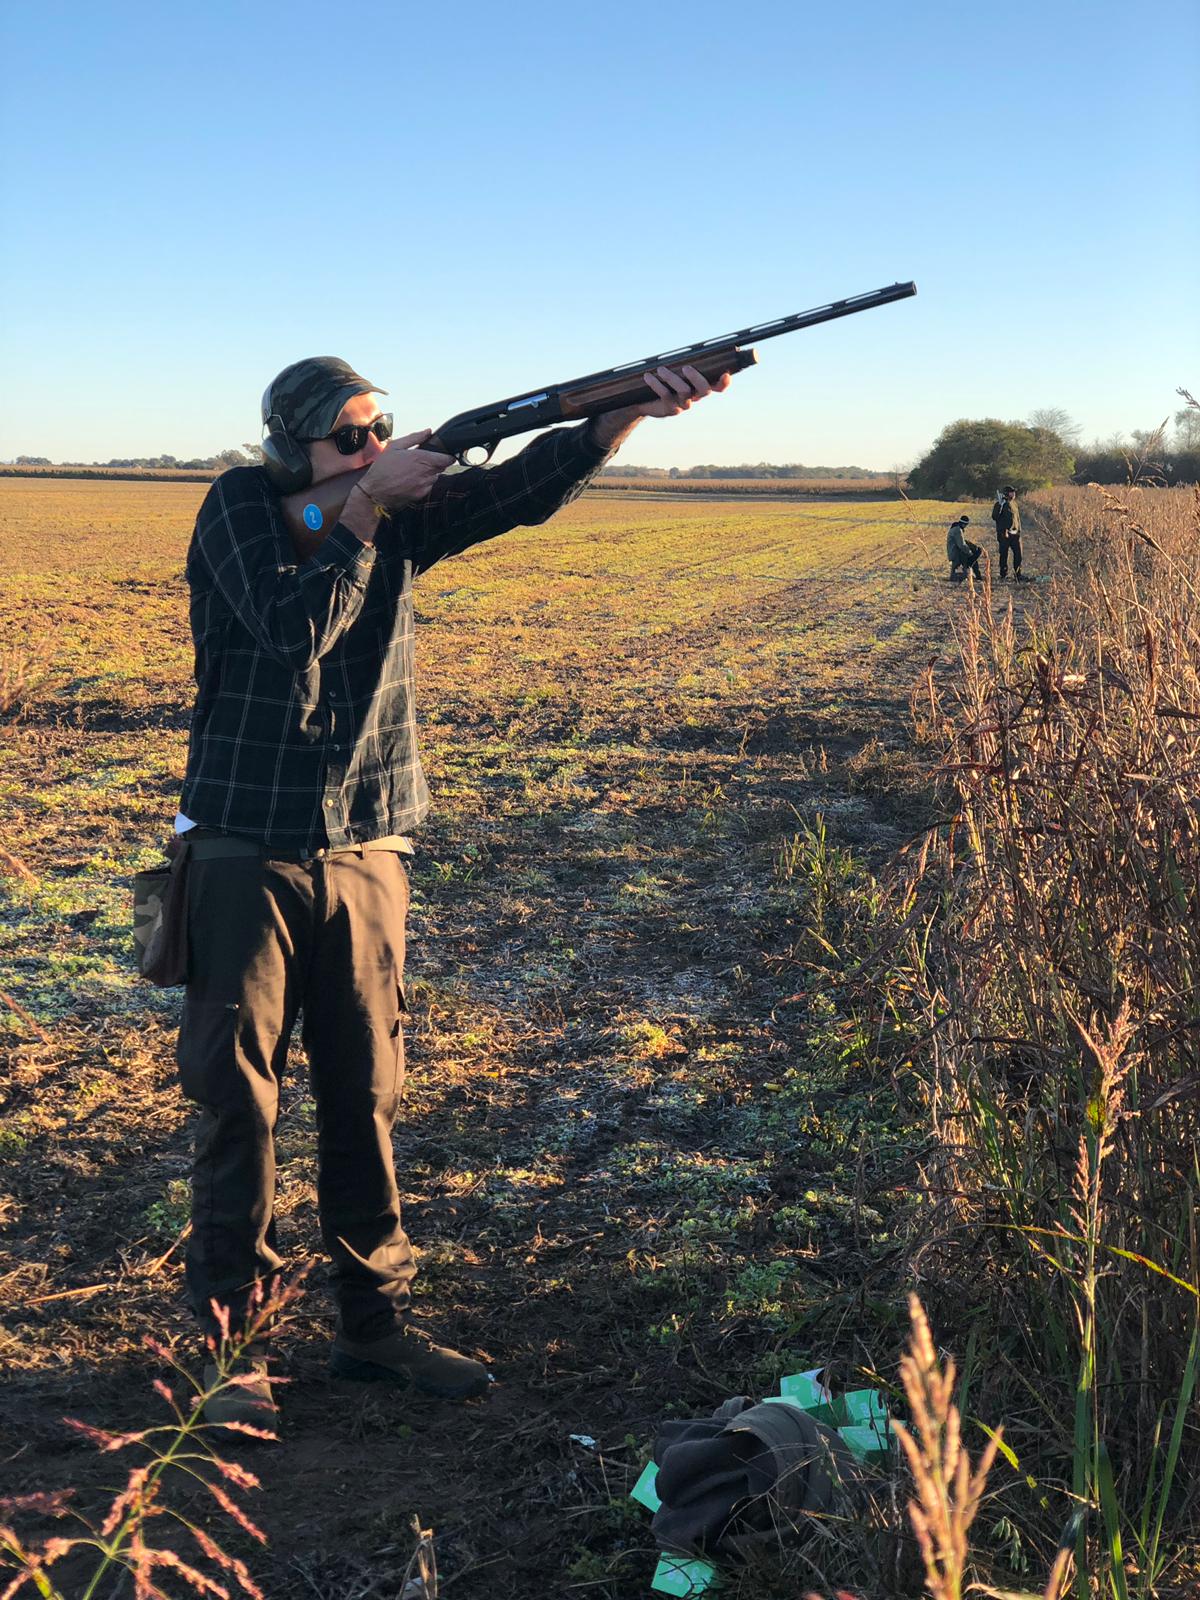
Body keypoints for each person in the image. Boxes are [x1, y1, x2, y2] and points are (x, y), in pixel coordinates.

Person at [175, 353, 732, 1432]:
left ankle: (373, 1330)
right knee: (240, 1100)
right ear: (296, 445)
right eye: (348, 437)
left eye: (382, 429)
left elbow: (515, 493)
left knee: (365, 1091)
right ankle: (229, 1345)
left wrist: (616, 419)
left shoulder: (395, 512)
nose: (372, 450)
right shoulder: (242, 506)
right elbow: (294, 632)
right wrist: (363, 513)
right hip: (245, 846)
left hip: (369, 846)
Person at [993, 485, 1026, 579]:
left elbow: (1017, 518)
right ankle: (1003, 574)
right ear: (1007, 493)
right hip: (1004, 533)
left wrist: (1019, 530)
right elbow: (995, 517)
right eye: (1012, 492)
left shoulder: (1014, 504)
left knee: (1018, 555)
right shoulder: (1000, 504)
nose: (1014, 493)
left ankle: (1018, 574)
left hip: (1015, 533)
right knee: (1004, 555)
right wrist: (1000, 505)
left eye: (1014, 492)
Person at [946, 514, 982, 581]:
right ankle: (977, 575)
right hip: (955, 553)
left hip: (955, 551)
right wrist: (970, 553)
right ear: (964, 524)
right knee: (975, 555)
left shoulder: (956, 528)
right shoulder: (958, 530)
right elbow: (961, 545)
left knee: (975, 552)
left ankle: (974, 573)